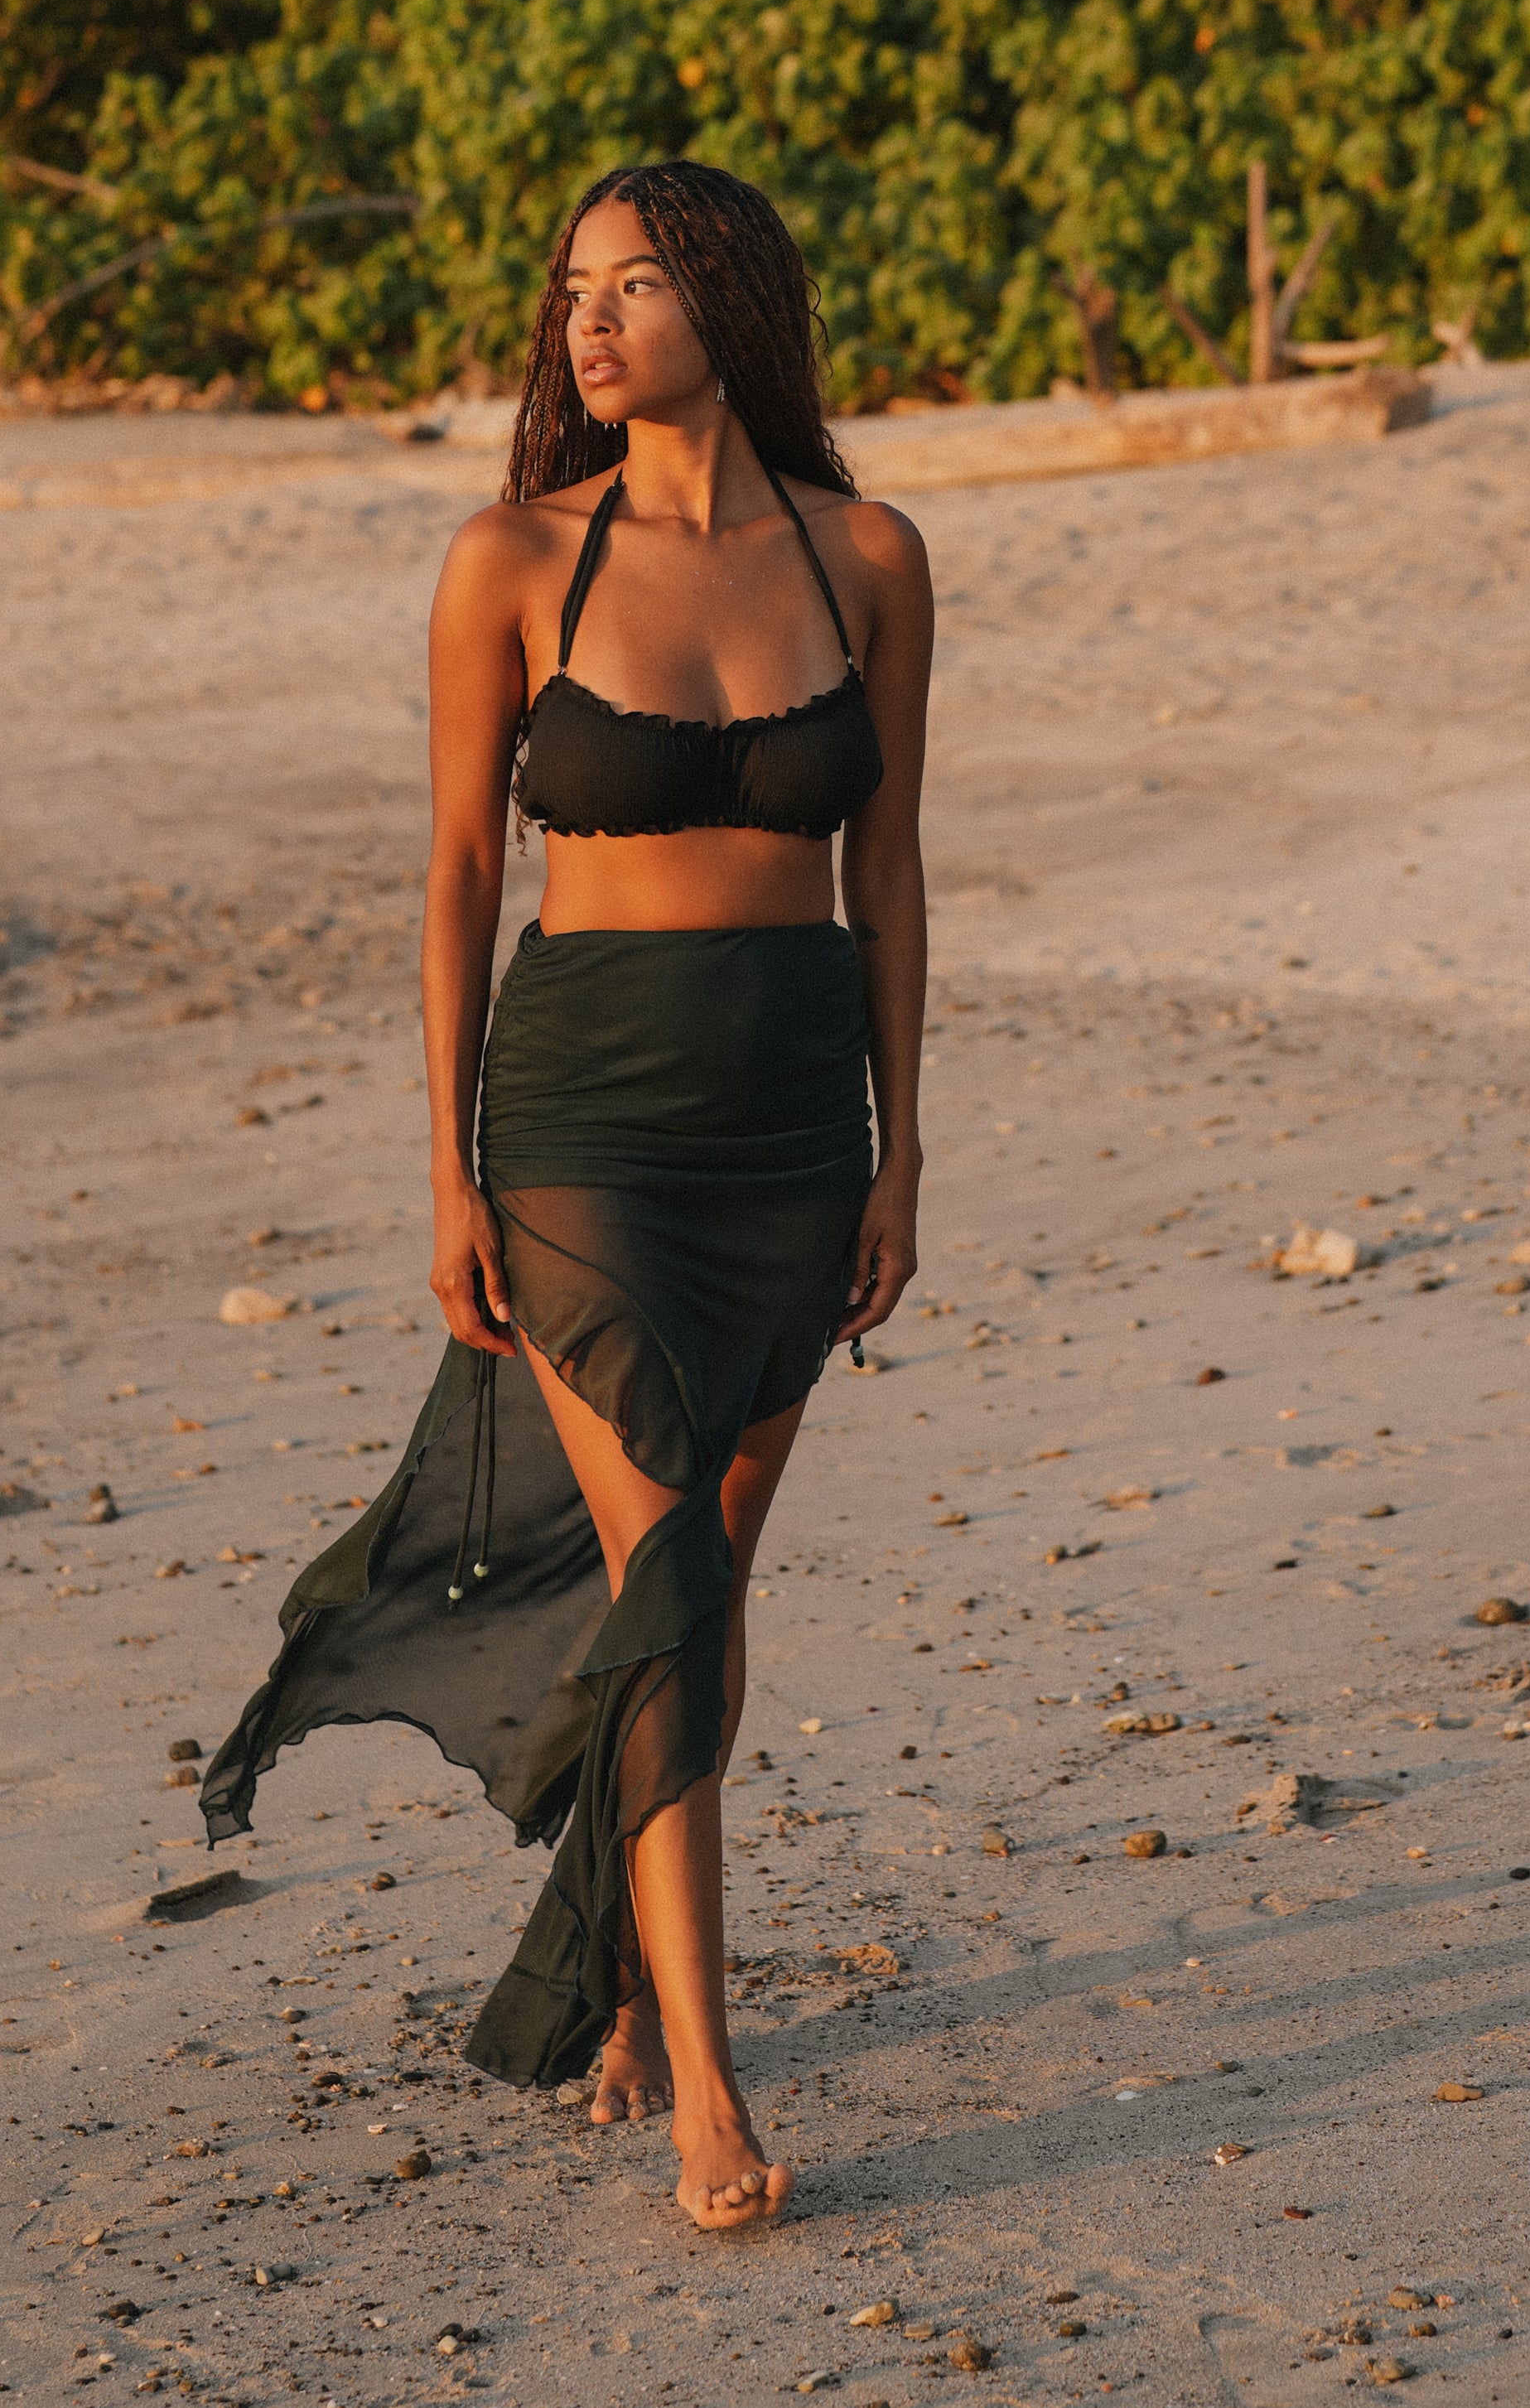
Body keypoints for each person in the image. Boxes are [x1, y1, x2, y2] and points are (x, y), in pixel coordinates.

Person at [200, 158, 934, 2233]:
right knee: (669, 1583)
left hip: (792, 1122)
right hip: (585, 1124)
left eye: (632, 282)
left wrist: (902, 1147)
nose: (586, 320)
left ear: (730, 298)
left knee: (705, 1569)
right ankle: (710, 2074)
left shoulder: (866, 554)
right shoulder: (507, 557)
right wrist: (443, 1170)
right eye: (569, 291)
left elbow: (883, 871)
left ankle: (618, 1967)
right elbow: (451, 874)